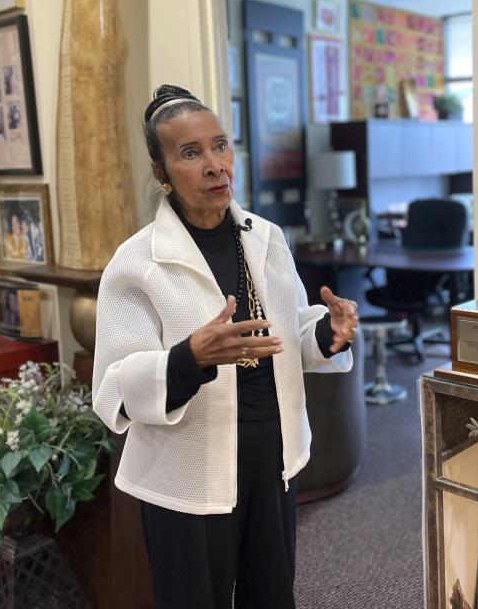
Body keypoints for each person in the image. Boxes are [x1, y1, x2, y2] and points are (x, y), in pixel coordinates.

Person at [92, 85, 358, 609]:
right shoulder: (135, 263)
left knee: (272, 594)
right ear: (161, 172)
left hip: (271, 453)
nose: (215, 166)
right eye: (190, 153)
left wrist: (327, 333)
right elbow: (114, 391)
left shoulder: (267, 237)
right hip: (188, 465)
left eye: (220, 146)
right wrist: (189, 358)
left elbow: (289, 336)